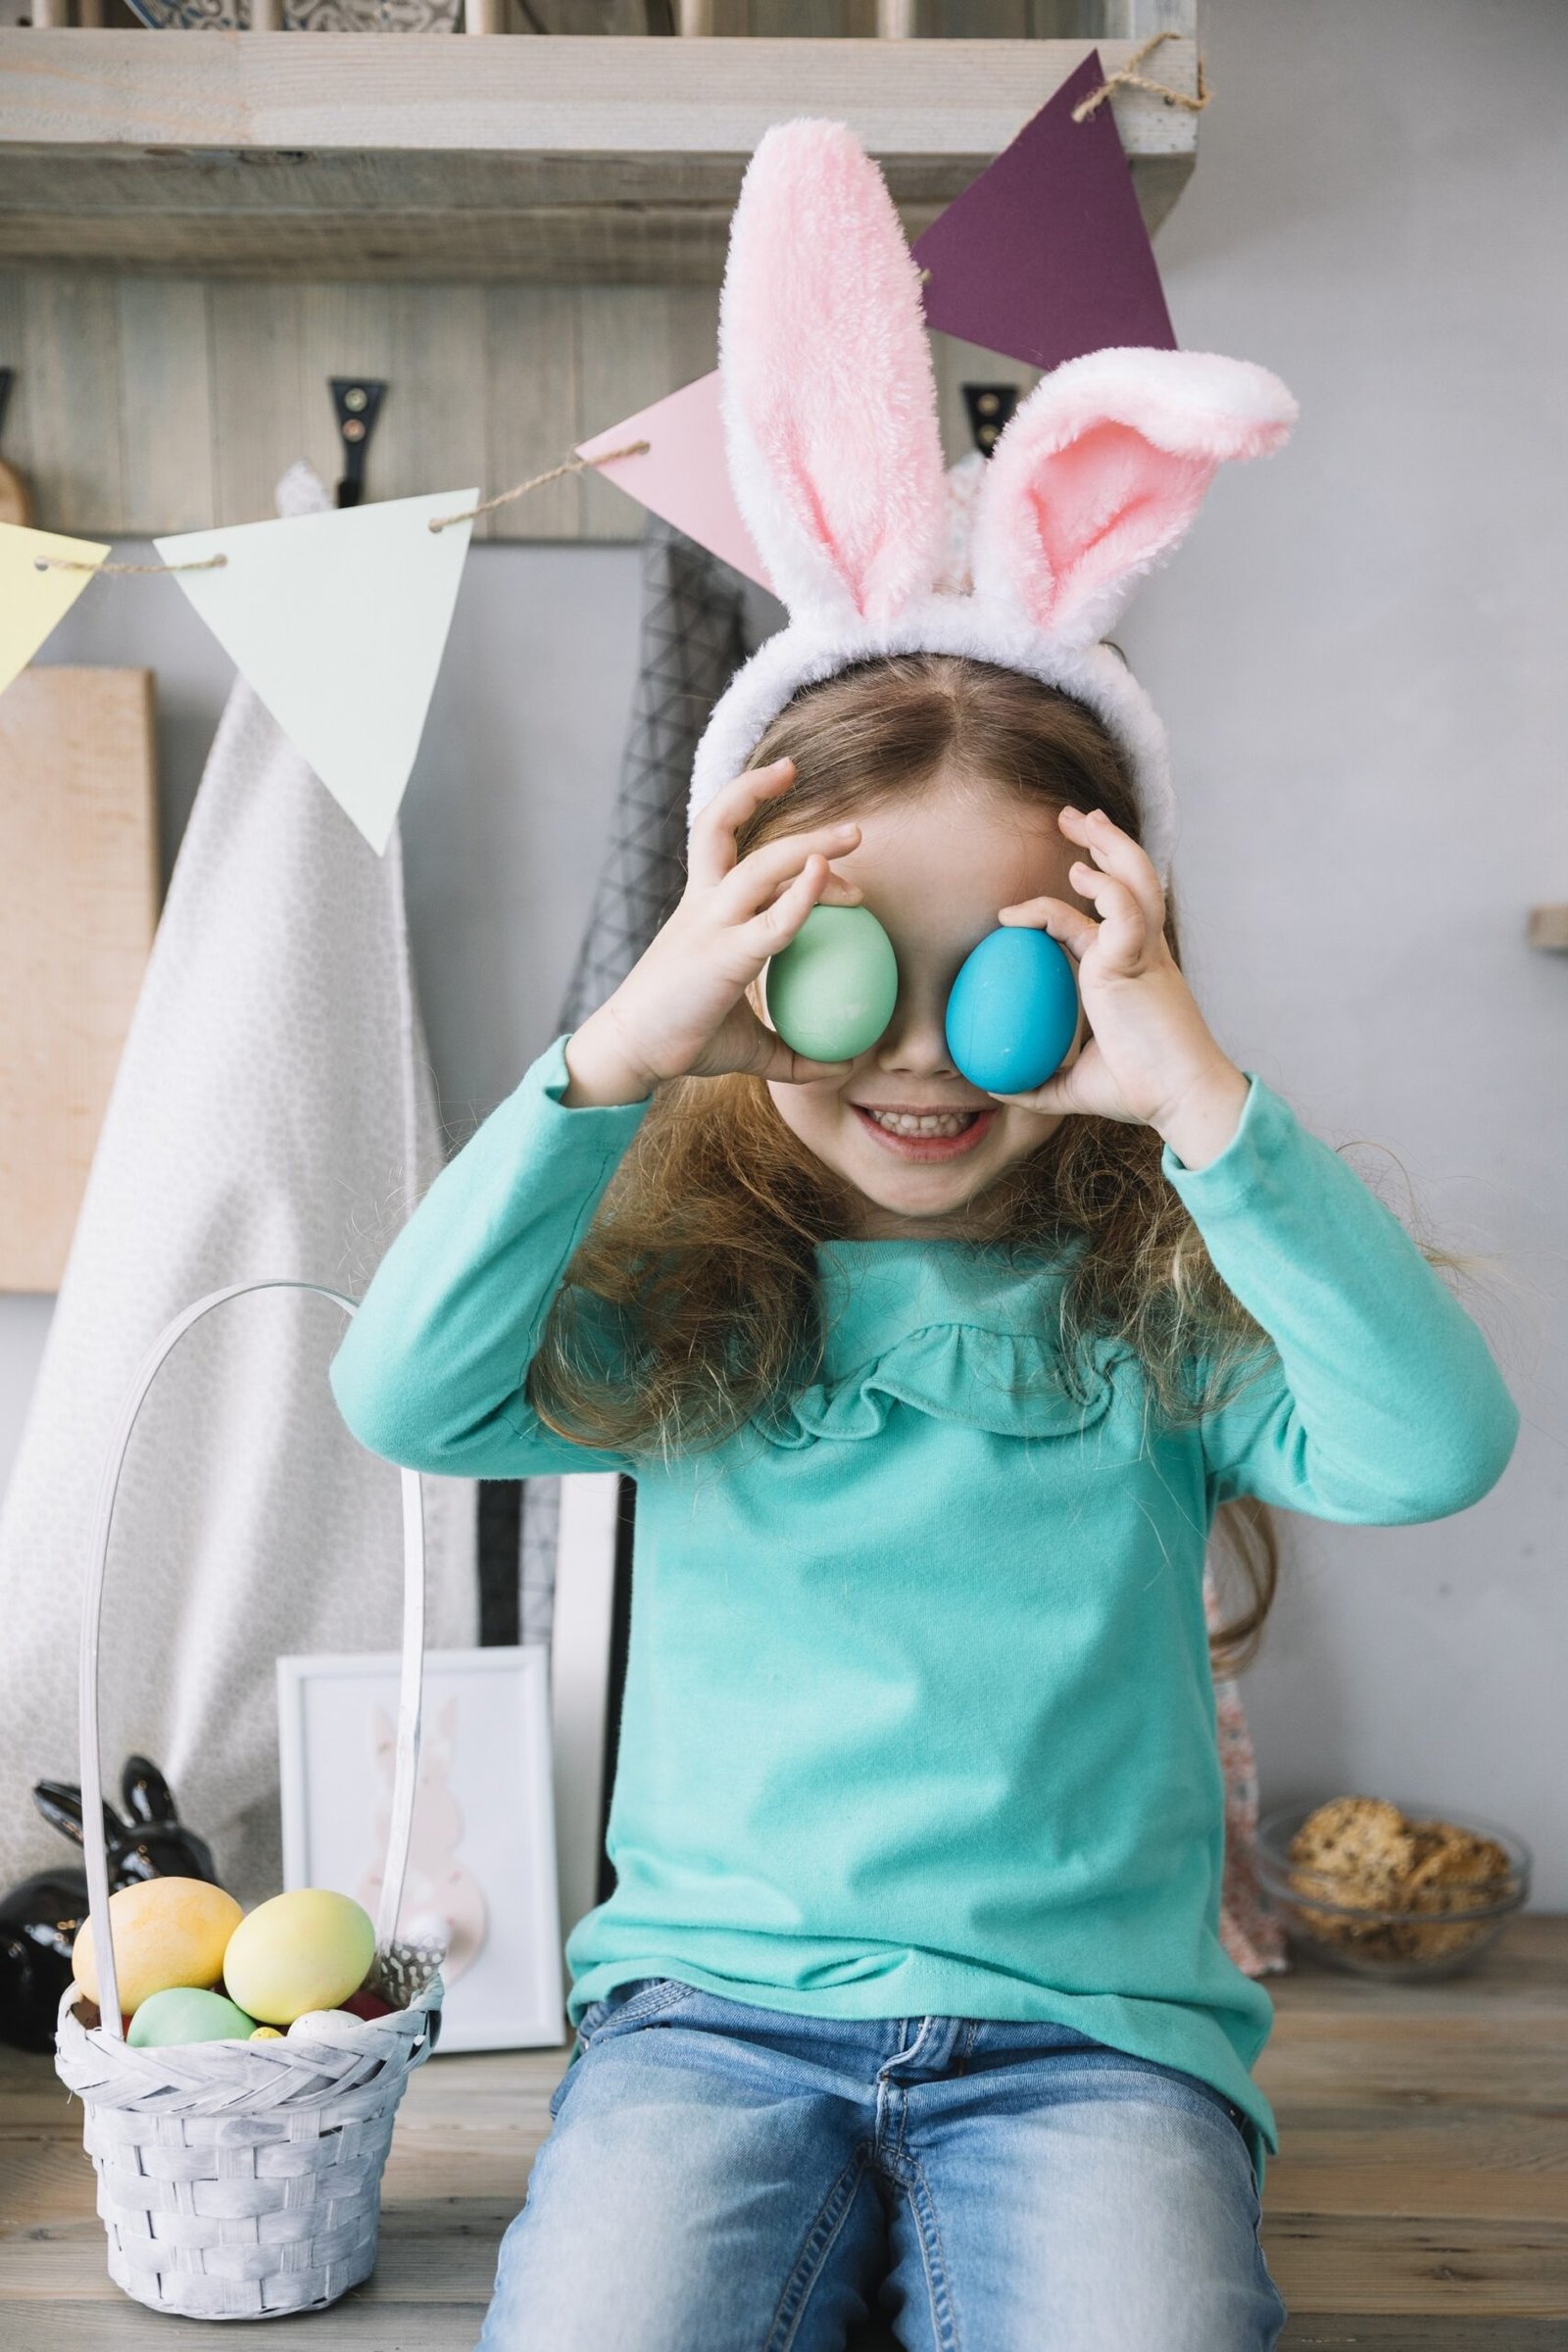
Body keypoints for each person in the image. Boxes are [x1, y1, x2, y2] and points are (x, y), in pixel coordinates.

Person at [326, 124, 1520, 2352]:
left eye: (1014, 979)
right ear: (735, 960)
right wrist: (618, 1052)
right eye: (851, 967)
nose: (929, 1061)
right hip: (709, 2027)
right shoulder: (700, 1291)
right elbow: (401, 1393)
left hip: (1096, 2051)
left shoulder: (1154, 1294)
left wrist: (1204, 1108)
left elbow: (1428, 1447)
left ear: (1116, 970)